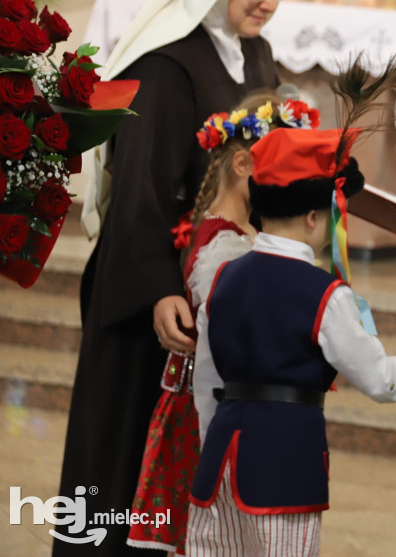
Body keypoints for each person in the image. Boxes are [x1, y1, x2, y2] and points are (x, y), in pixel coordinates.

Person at [58, 0, 291, 556]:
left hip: (215, 279)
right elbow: (139, 193)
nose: (269, 2)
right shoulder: (167, 67)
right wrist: (161, 289)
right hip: (150, 286)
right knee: (121, 449)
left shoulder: (256, 54)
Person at [186, 127, 396, 557]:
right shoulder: (323, 294)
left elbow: (206, 382)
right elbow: (380, 379)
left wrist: (211, 446)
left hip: (219, 468)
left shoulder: (223, 278)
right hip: (284, 473)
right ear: (313, 218)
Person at [126, 96, 314, 554]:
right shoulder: (223, 247)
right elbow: (233, 337)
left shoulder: (234, 234)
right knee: (211, 537)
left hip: (218, 404)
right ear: (242, 164)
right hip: (206, 411)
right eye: (279, 171)